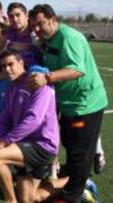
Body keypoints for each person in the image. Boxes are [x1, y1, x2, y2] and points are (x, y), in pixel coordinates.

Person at [28, 4, 108, 202]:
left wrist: (47, 78)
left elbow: (77, 70)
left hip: (85, 104)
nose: (37, 29)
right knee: (72, 145)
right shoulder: (48, 39)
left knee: (80, 150)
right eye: (34, 25)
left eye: (40, 24)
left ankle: (73, 195)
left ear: (54, 20)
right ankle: (78, 183)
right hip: (68, 104)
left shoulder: (69, 38)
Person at [0, 49, 59, 203]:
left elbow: (34, 119)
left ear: (21, 63)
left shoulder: (37, 82)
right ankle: (76, 182)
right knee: (29, 199)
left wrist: (5, 141)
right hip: (23, 144)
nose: (7, 69)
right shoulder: (12, 87)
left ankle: (9, 200)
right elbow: (5, 116)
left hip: (42, 145)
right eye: (4, 66)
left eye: (11, 64)